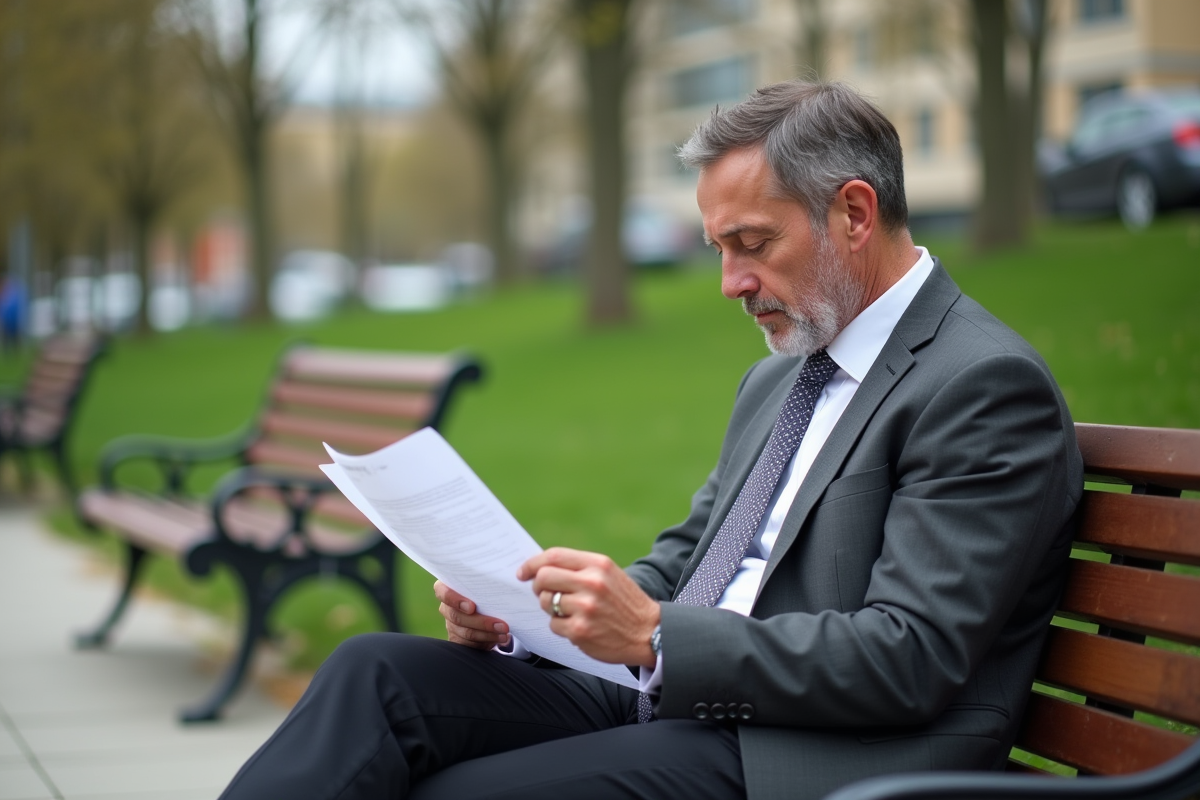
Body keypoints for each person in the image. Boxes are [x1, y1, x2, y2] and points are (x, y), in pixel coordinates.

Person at [220, 80, 1082, 800]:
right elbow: (690, 557)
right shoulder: (783, 376)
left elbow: (909, 657)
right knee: (374, 675)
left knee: (462, 790)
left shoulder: (978, 385)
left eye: (752, 243)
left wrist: (660, 638)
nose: (730, 282)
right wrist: (534, 619)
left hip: (816, 753)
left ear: (854, 213)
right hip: (690, 699)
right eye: (718, 248)